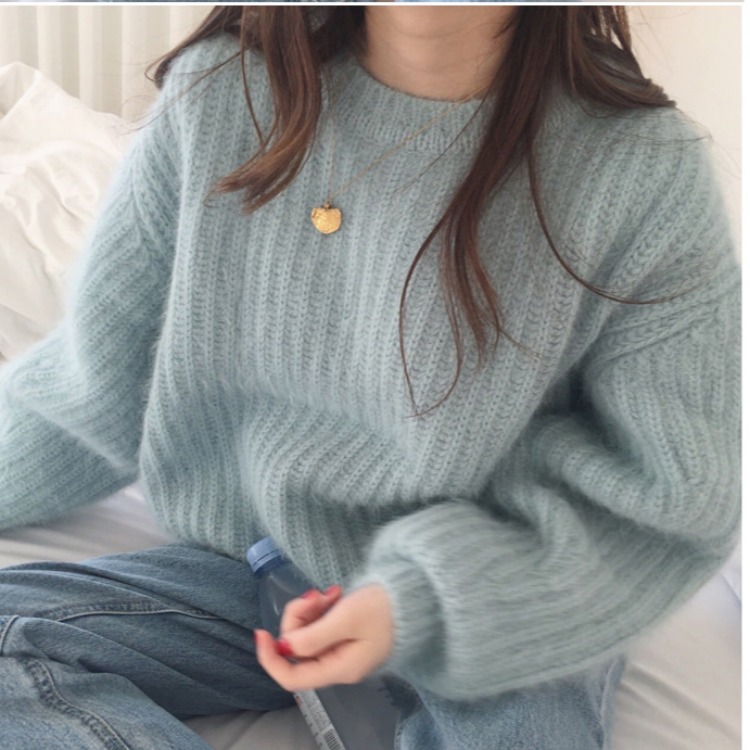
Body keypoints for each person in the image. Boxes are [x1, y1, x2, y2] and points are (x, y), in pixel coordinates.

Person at [0, 5, 739, 749]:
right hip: (257, 574)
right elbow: (90, 384)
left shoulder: (643, 171)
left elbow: (672, 496)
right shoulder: (222, 93)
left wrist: (422, 602)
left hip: (499, 599)